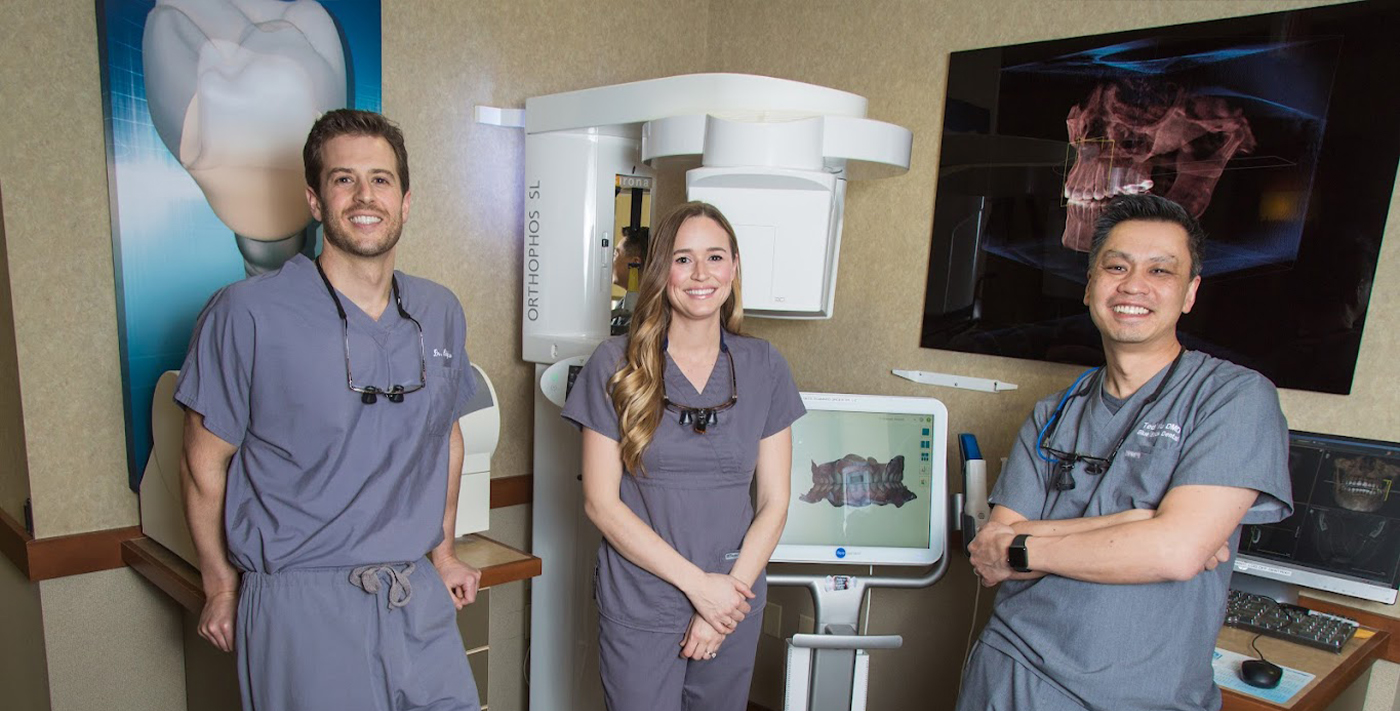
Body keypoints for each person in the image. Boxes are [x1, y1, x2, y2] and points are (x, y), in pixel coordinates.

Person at [176, 109, 483, 711]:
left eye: (381, 179)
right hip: (301, 602)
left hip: (414, 595)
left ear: (406, 199)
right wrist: (218, 585)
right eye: (344, 180)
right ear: (314, 200)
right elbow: (201, 465)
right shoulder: (247, 314)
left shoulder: (438, 310)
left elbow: (445, 436)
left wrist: (441, 552)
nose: (365, 196)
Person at [959, 194, 1294, 711]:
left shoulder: (1234, 397)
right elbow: (990, 557)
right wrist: (1143, 523)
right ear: (1091, 284)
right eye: (1117, 266)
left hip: (1144, 695)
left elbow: (1176, 553)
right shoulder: (1053, 412)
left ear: (1189, 293)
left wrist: (1027, 545)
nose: (1134, 285)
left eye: (1160, 270)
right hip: (1011, 673)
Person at [562, 201, 806, 711]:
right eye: (682, 258)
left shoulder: (764, 365)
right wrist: (701, 591)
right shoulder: (615, 363)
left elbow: (776, 502)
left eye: (715, 257)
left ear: (734, 267)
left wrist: (725, 601)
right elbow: (601, 505)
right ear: (661, 271)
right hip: (644, 601)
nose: (701, 274)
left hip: (734, 600)